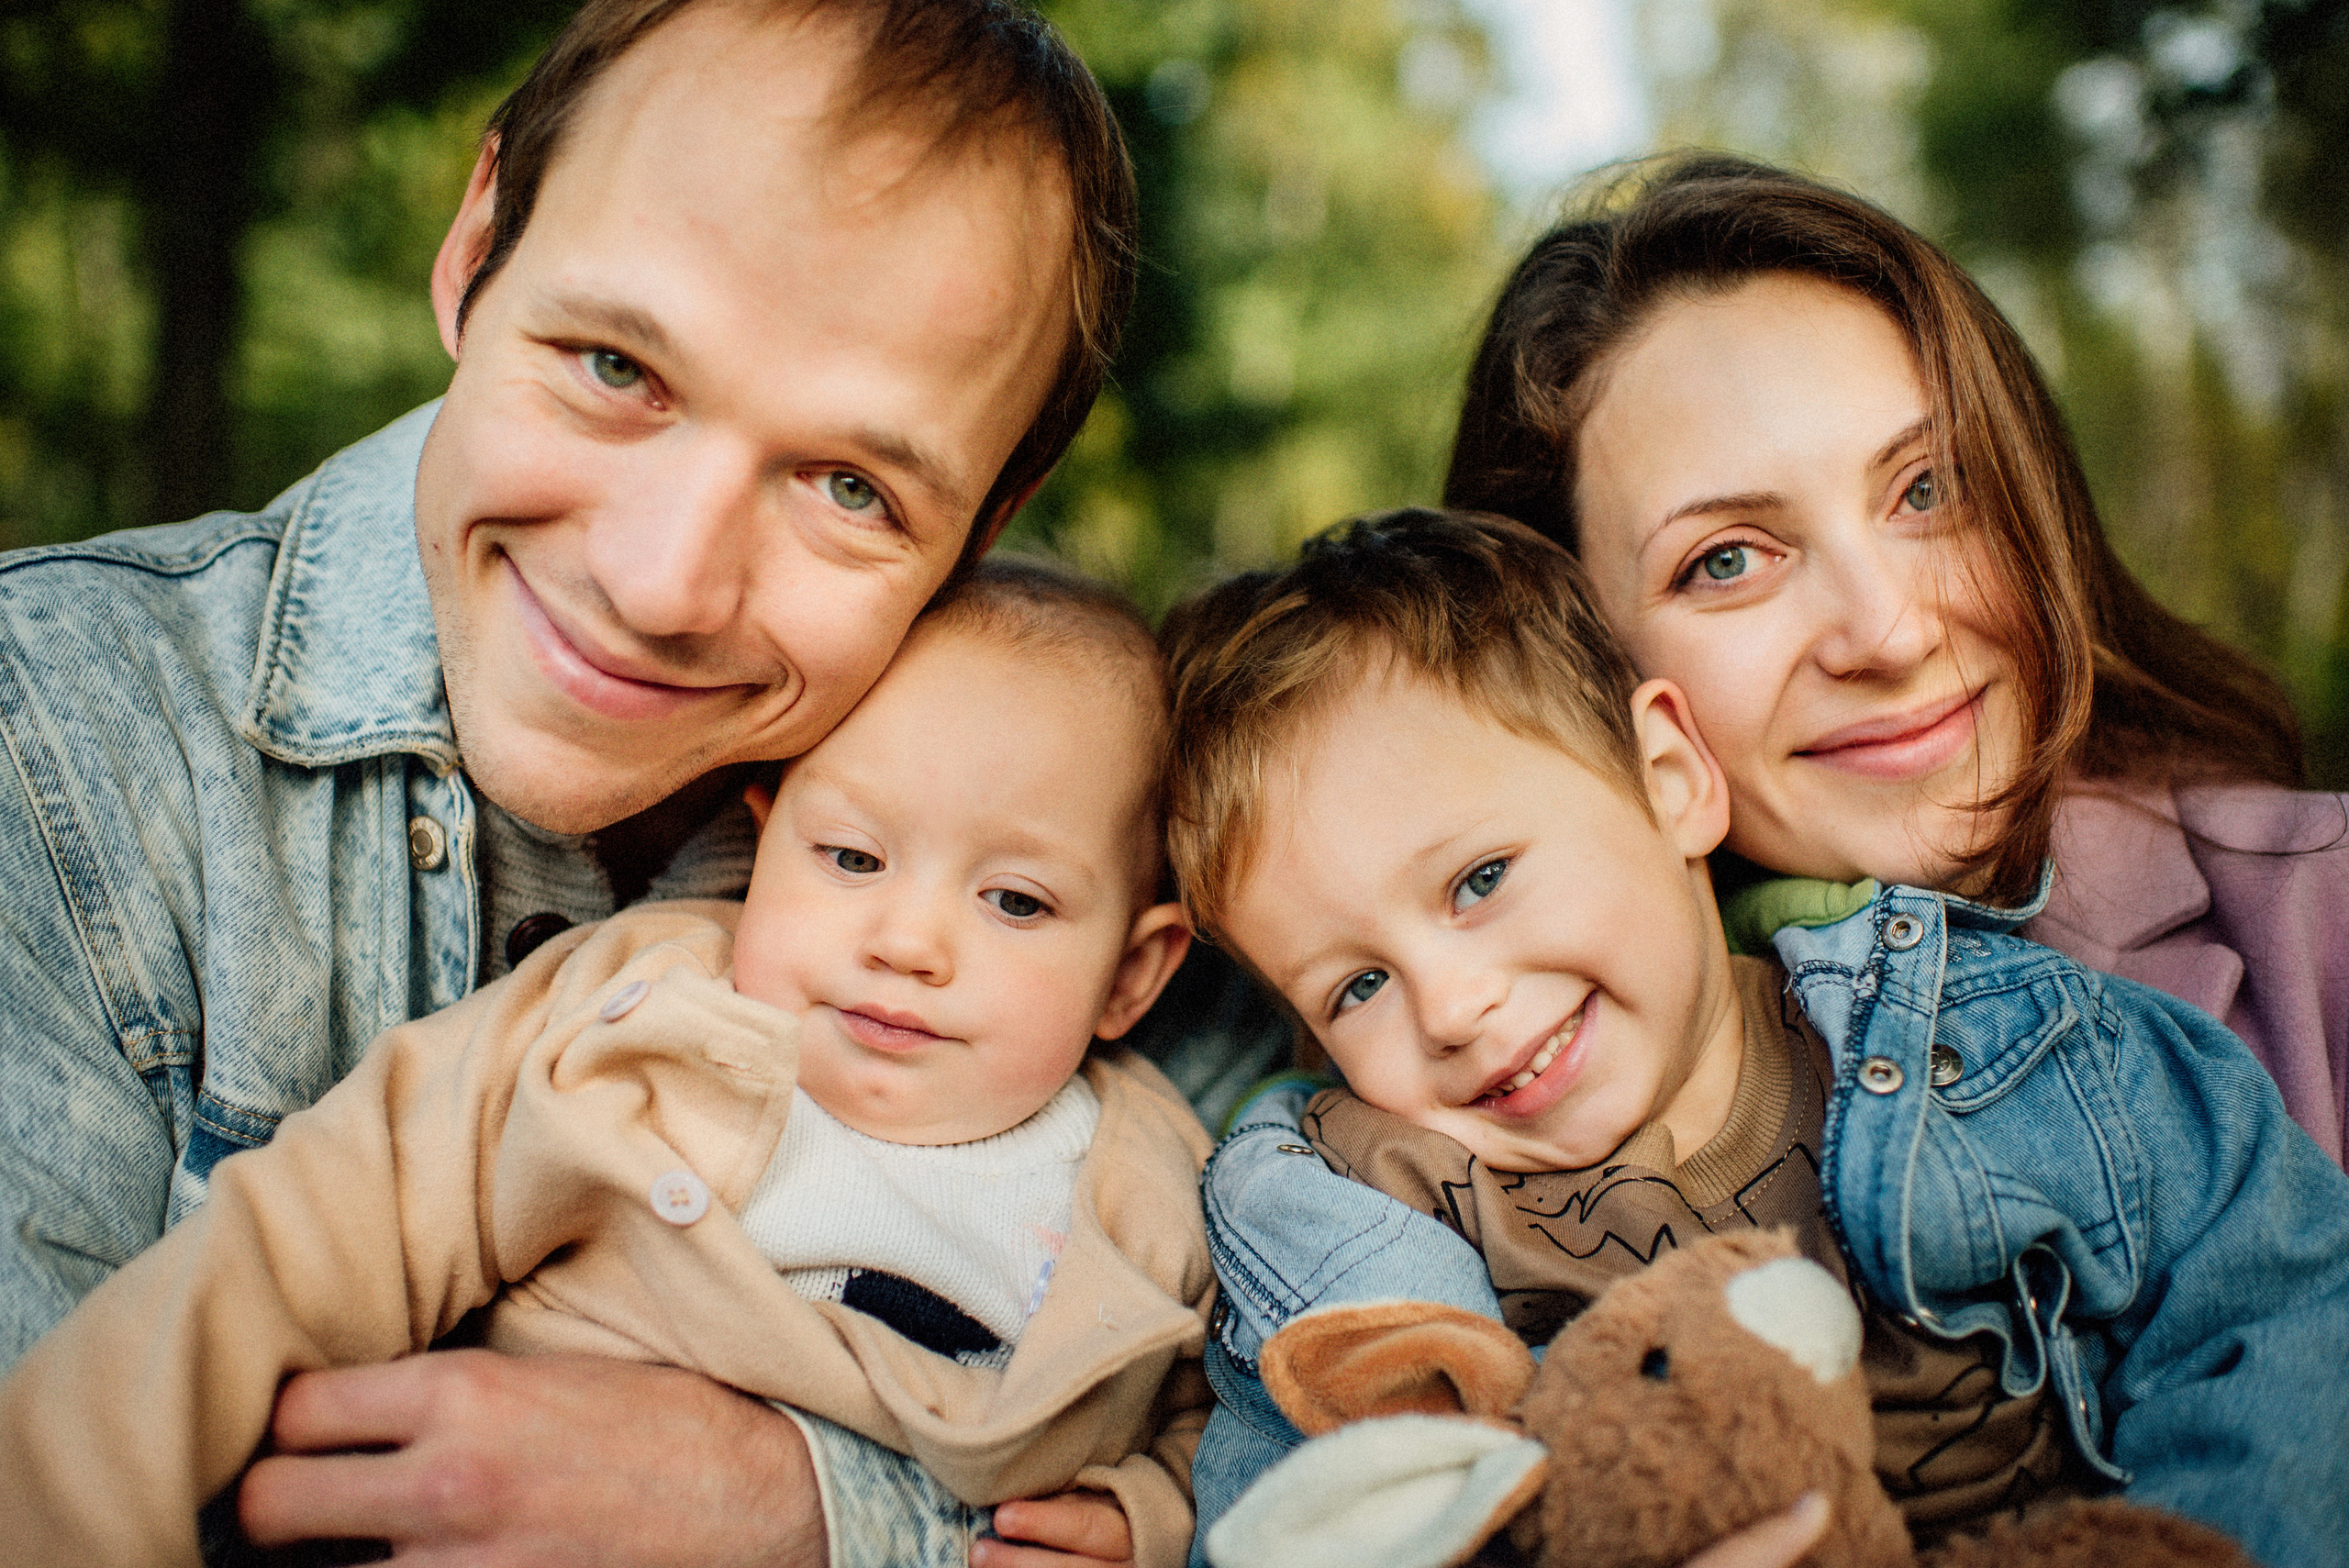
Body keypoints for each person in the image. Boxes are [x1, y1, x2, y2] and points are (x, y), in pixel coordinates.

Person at [0, 1, 1143, 1562]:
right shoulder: (45, 736)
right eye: (616, 365)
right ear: (478, 250)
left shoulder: (1099, 866)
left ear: (989, 519)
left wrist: (812, 1507)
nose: (663, 583)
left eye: (852, 487)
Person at [1163, 509, 2349, 1568]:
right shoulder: (1359, 1220)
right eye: (1358, 985)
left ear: (1670, 779)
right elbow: (1285, 1526)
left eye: (1480, 879)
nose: (1452, 1006)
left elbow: (2277, 1310)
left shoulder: (1999, 1045)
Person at [1, 561, 1214, 1568]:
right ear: (764, 841)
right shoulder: (625, 1012)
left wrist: (1143, 1517)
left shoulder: (1156, 1185)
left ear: (1131, 973)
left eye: (1015, 900)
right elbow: (308, 1232)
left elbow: (1203, 1430)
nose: (907, 943)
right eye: (851, 858)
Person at [1444, 153, 2349, 1165]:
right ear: (1568, 659)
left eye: (1929, 489)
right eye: (1728, 559)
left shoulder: (2328, 913)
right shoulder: (1456, 1083)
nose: (1889, 634)